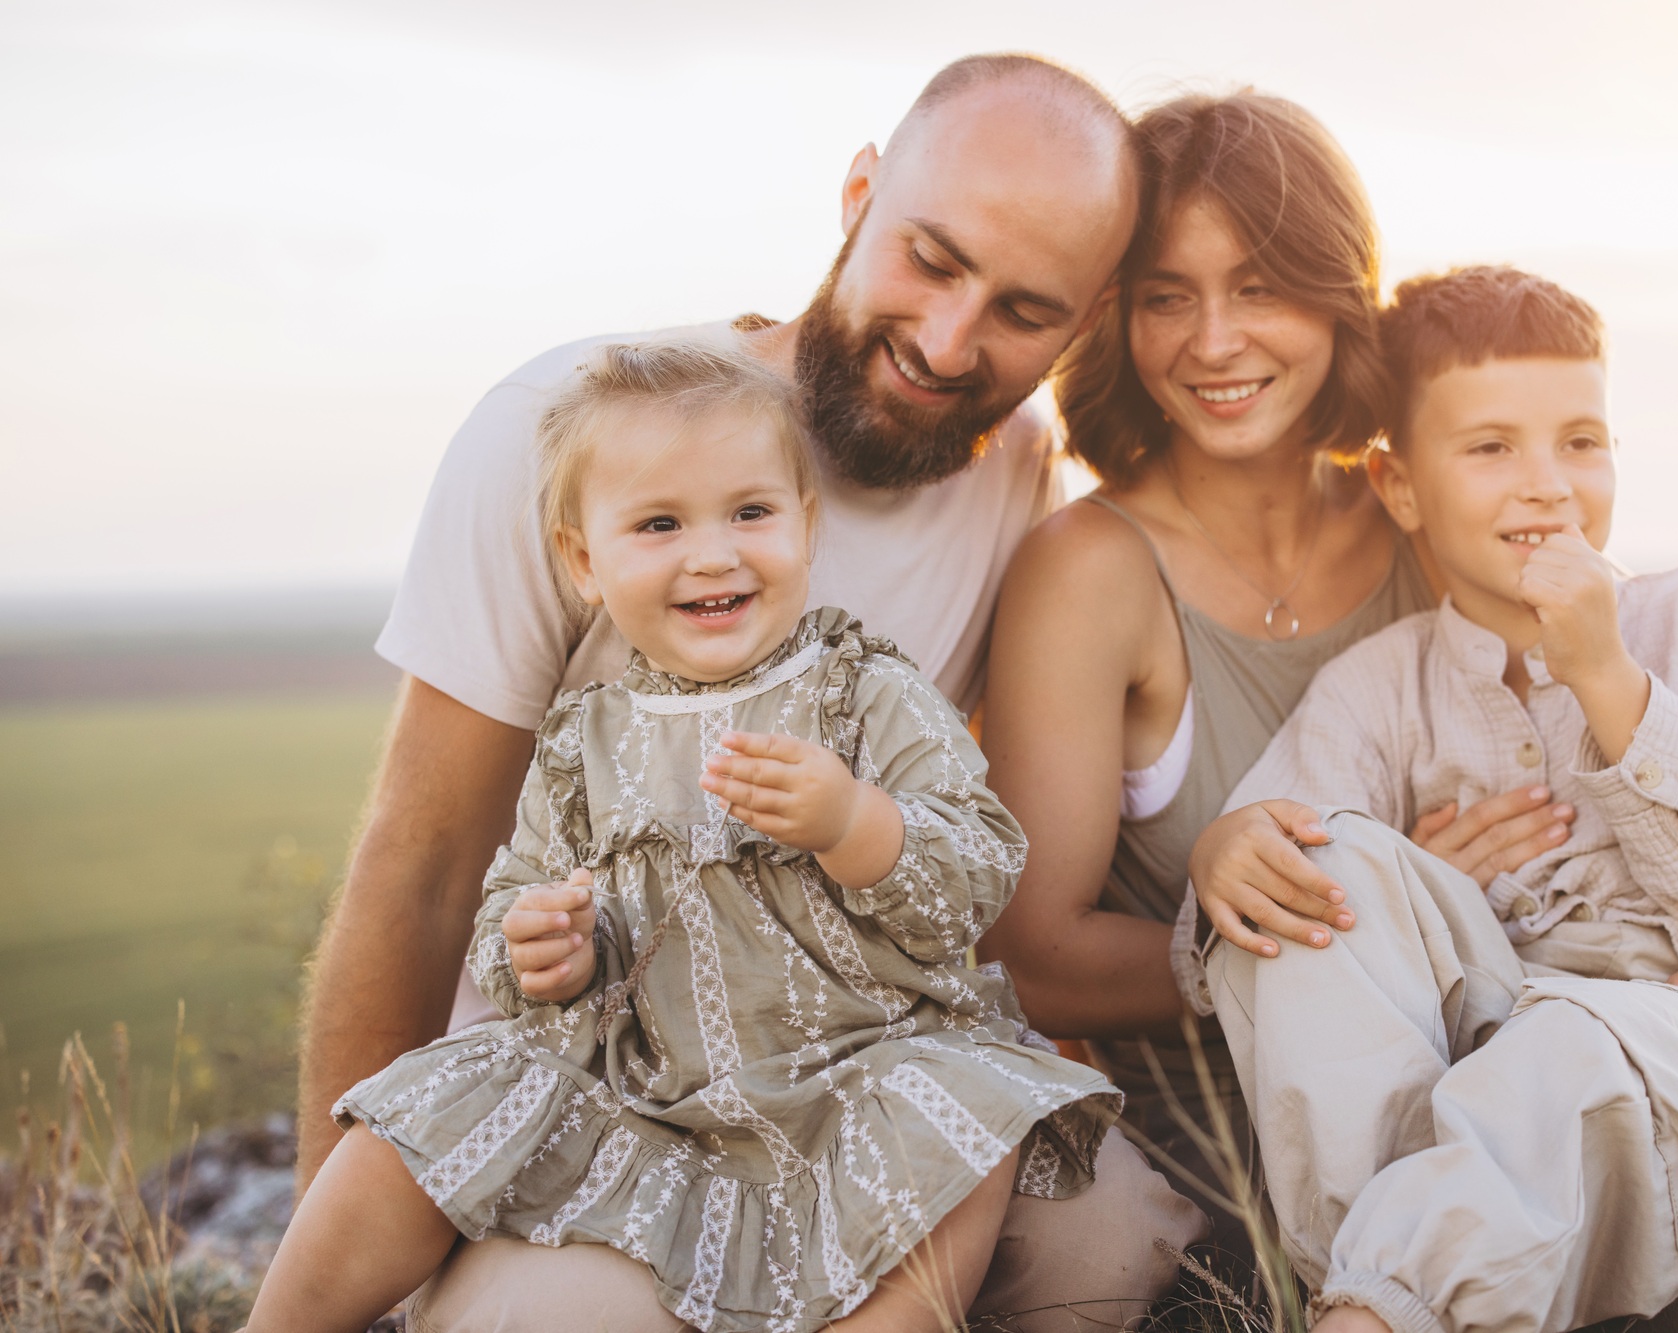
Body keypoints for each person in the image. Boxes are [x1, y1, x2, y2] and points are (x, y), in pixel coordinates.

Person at [298, 53, 1203, 1332]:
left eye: (1022, 311)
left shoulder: (1015, 472)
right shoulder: (570, 436)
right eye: (931, 260)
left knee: (1107, 1240)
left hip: (851, 1069)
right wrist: (344, 1237)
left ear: (1087, 318)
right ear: (857, 194)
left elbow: (961, 841)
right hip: (611, 1083)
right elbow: (425, 860)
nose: (949, 343)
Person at [979, 92, 1678, 1269]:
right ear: (1114, 317)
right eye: (1163, 297)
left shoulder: (1438, 513)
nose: (1212, 341)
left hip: (1522, 1091)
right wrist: (1378, 915)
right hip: (1254, 1152)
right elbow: (1037, 957)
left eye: (1261, 288)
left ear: (1339, 298)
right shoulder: (1090, 570)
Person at [253, 340, 1123, 1333]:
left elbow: (976, 867)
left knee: (971, 1115)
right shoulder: (586, 741)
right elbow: (515, 890)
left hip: (854, 1083)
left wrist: (855, 823)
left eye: (749, 512)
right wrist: (539, 946)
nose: (712, 553)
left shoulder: (862, 690)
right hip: (653, 1097)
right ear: (584, 559)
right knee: (421, 1106)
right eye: (658, 523)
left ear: (804, 523)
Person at [1188, 265, 1678, 1332]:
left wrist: (1610, 680)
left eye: (1580, 441)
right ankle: (1371, 1279)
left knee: (1557, 1048)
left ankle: (1377, 1314)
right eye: (1489, 447)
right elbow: (1258, 920)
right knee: (1317, 868)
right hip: (1484, 1033)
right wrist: (1227, 857)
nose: (1548, 484)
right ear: (1399, 483)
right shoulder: (1378, 687)